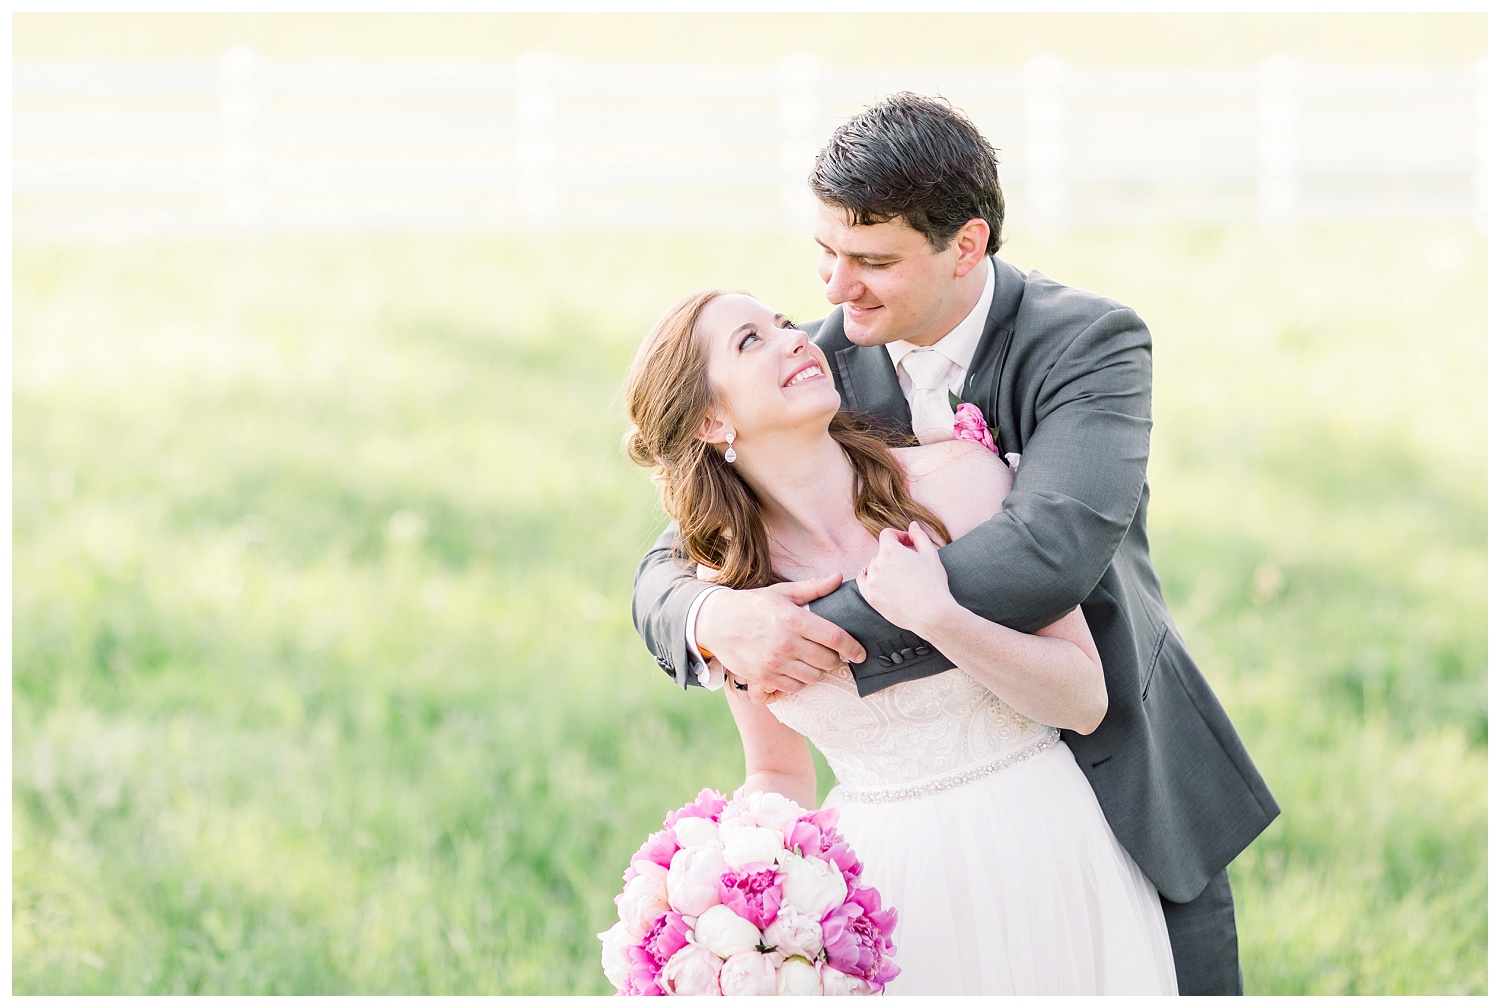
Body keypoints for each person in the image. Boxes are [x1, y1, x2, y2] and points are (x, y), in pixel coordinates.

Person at [630, 93, 1278, 994]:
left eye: (871, 260)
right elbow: (691, 552)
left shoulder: (1087, 342)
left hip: (1114, 775)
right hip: (894, 855)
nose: (832, 290)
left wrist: (808, 640)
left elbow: (1049, 549)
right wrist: (713, 619)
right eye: (825, 254)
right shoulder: (813, 364)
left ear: (964, 246)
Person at [625, 287, 1180, 993]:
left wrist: (942, 616)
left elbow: (1083, 697)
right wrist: (732, 911)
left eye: (781, 323)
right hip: (885, 890)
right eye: (749, 342)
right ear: (710, 421)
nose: (795, 337)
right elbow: (780, 774)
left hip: (1046, 846)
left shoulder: (959, 484)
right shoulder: (740, 593)